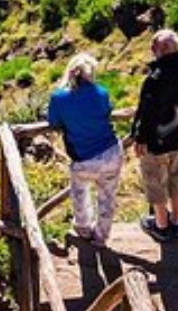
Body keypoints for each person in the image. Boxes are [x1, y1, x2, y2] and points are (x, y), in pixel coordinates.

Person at [132, 29, 178, 242]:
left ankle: (161, 227)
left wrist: (139, 138)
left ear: (157, 50)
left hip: (156, 141)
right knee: (177, 178)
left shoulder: (155, 78)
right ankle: (177, 222)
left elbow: (147, 112)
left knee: (155, 182)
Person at [47, 53, 123, 247]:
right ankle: (101, 237)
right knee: (107, 196)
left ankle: (84, 229)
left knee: (79, 192)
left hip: (83, 157)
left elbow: (54, 123)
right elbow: (107, 113)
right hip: (111, 151)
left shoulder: (58, 97)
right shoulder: (102, 93)